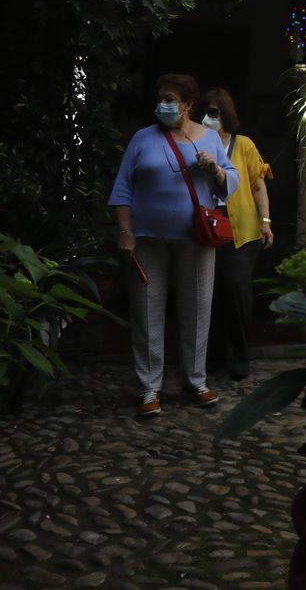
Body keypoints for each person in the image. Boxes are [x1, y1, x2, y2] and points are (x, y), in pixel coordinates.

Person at [109, 73, 239, 418]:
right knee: (147, 310)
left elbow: (231, 181)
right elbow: (123, 188)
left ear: (188, 104)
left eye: (169, 99)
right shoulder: (142, 138)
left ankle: (195, 380)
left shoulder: (210, 139)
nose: (163, 104)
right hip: (148, 237)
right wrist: (125, 231)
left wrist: (216, 171)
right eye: (161, 98)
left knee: (198, 308)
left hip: (197, 238)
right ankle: (149, 387)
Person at [199, 88, 275, 381]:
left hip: (243, 230)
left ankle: (242, 355)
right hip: (207, 228)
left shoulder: (243, 145)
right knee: (211, 293)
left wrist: (266, 221)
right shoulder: (195, 143)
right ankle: (215, 356)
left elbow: (258, 185)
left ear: (226, 115)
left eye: (215, 112)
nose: (209, 118)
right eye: (205, 111)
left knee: (237, 286)